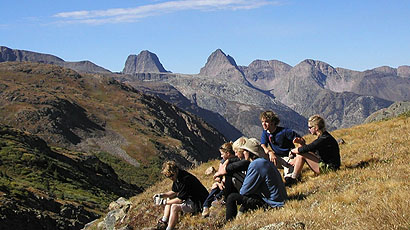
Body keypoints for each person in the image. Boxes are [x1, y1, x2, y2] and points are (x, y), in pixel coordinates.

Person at [225, 138, 287, 221]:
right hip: (280, 199)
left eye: (245, 151)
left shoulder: (255, 164)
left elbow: (244, 191)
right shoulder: (264, 161)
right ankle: (241, 214)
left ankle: (229, 222)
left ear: (248, 152)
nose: (242, 153)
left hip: (272, 203)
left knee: (232, 197)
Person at [151, 161, 209, 230]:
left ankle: (169, 228)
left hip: (198, 202)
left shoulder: (185, 180)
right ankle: (164, 221)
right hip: (191, 198)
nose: (171, 178)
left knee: (174, 207)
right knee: (170, 198)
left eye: (171, 175)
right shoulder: (178, 176)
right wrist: (161, 195)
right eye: (168, 176)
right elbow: (174, 191)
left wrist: (164, 202)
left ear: (176, 171)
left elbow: (179, 200)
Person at [287, 115, 341, 186]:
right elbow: (310, 149)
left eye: (310, 127)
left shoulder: (323, 139)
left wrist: (293, 151)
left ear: (316, 128)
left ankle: (294, 178)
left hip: (330, 169)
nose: (309, 129)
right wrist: (301, 144)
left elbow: (307, 148)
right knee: (302, 154)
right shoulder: (324, 136)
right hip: (331, 165)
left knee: (301, 154)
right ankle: (294, 177)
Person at [259, 110, 304, 185]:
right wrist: (269, 152)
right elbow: (263, 145)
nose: (263, 124)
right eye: (262, 122)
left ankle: (292, 177)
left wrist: (297, 155)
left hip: (288, 156)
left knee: (289, 177)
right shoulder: (265, 132)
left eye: (266, 121)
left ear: (273, 122)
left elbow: (302, 141)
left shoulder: (285, 132)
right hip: (277, 157)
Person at [201, 142, 237, 217]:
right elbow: (217, 176)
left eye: (222, 154)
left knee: (218, 186)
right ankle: (207, 205)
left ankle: (214, 201)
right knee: (215, 185)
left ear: (227, 153)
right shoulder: (224, 161)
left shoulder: (235, 161)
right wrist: (219, 182)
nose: (221, 156)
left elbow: (223, 173)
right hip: (223, 183)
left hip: (232, 184)